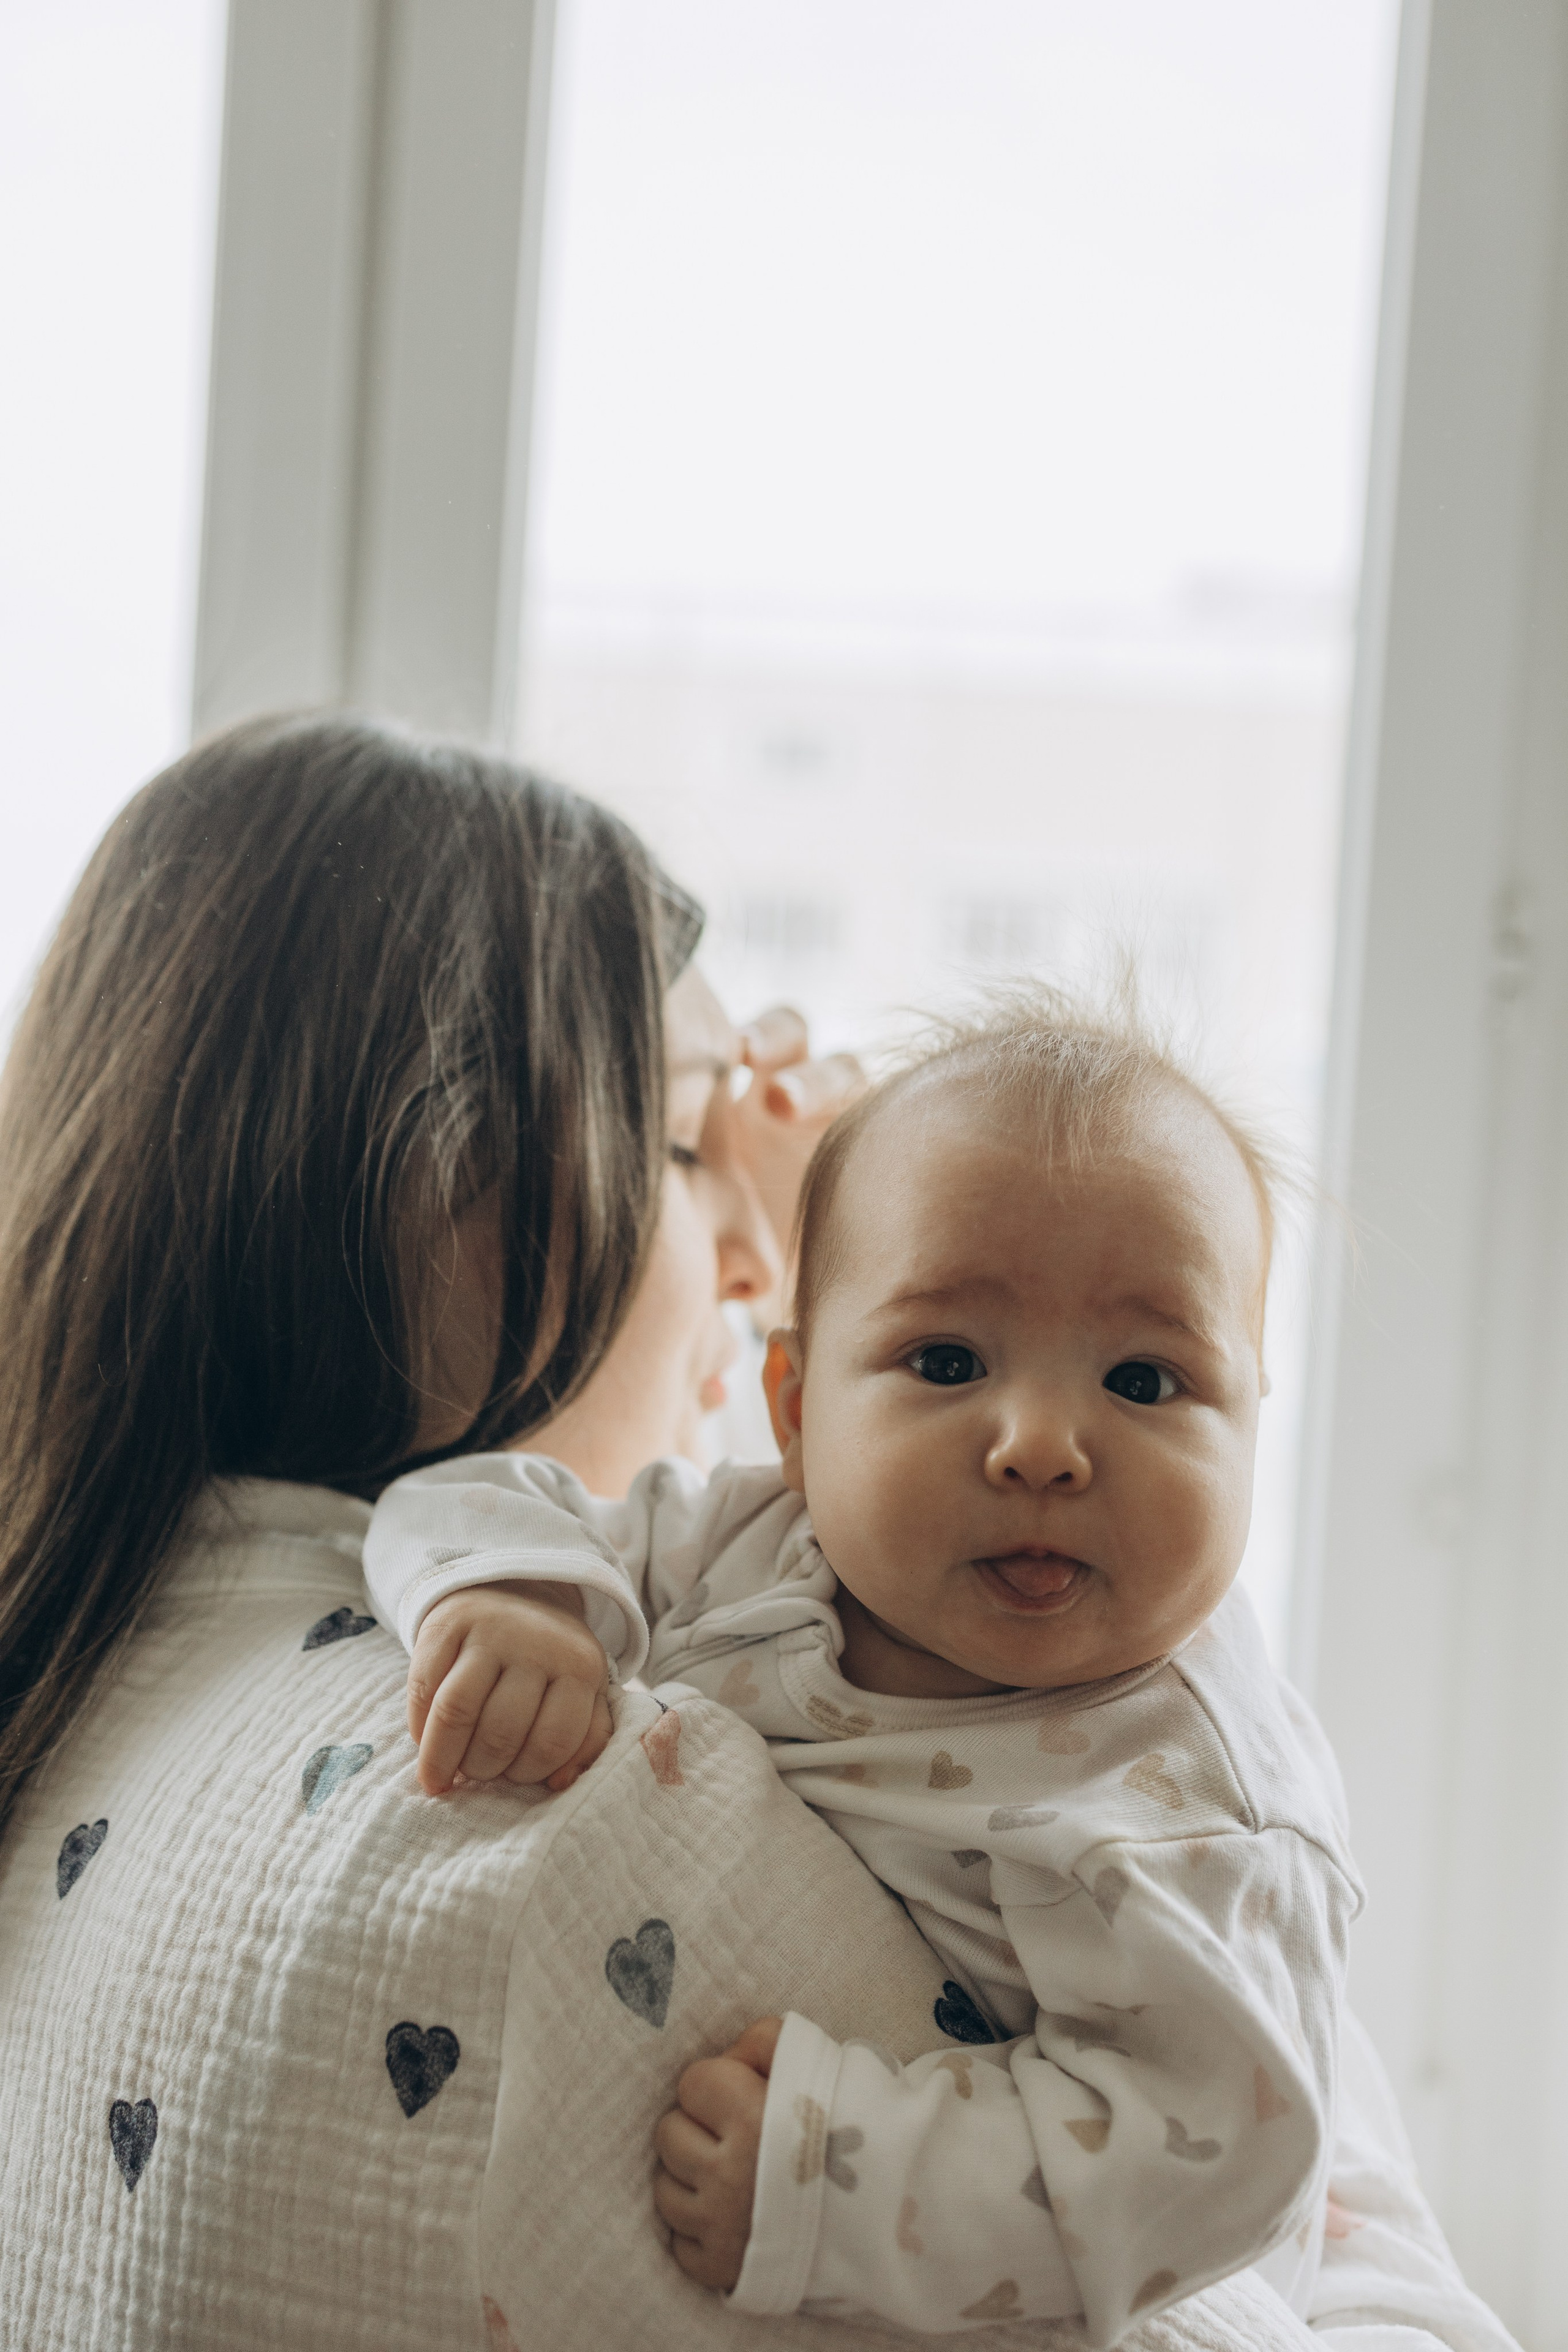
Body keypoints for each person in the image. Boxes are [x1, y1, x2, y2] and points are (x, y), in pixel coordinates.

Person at [0, 714, 1513, 2352]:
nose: (746, 1254)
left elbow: (1238, 2152)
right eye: (699, 1147)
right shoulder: (563, 1810)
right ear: (434, 1183)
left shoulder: (114, 1651)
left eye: (1145, 1376)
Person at [363, 1003, 1357, 2341]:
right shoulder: (758, 1534)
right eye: (945, 1361)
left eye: (1143, 1377)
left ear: (1249, 1424)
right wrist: (523, 1596)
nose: (1042, 1443)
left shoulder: (1186, 1813)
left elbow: (1202, 2155)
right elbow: (462, 1500)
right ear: (790, 1409)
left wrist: (838, 2169)